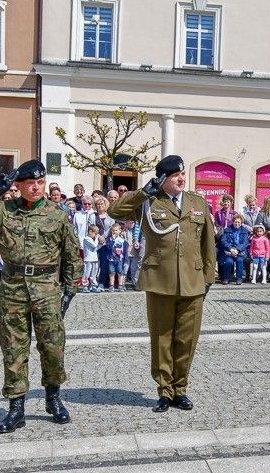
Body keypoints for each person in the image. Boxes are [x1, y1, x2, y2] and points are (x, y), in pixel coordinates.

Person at [0, 160, 82, 433]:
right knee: (13, 348)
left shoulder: (57, 214)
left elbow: (72, 253)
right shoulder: (3, 211)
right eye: (30, 183)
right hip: (13, 290)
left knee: (52, 347)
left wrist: (70, 290)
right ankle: (16, 409)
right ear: (19, 185)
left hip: (47, 290)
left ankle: (53, 398)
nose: (36, 187)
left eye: (40, 182)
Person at [109, 155, 215, 412]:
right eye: (175, 175)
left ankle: (181, 389)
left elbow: (208, 243)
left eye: (182, 174)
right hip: (160, 281)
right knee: (162, 338)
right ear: (162, 179)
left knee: (187, 340)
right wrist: (142, 193)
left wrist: (208, 278)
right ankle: (165, 391)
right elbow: (114, 211)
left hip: (192, 281)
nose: (181, 178)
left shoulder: (197, 202)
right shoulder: (149, 202)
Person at [217, 216, 250, 284]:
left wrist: (238, 250)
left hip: (240, 252)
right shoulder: (227, 230)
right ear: (233, 222)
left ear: (241, 223)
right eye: (235, 222)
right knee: (229, 262)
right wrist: (230, 249)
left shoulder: (244, 231)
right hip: (229, 251)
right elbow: (223, 241)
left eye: (239, 222)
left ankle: (239, 279)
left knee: (239, 260)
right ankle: (226, 278)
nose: (237, 224)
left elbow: (245, 243)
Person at [81, 224, 103, 292]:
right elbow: (94, 245)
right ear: (90, 232)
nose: (96, 235)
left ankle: (94, 285)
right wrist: (97, 238)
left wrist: (101, 245)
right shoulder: (86, 239)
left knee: (94, 274)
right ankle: (85, 286)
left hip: (95, 259)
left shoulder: (93, 240)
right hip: (88, 259)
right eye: (95, 233)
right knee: (86, 273)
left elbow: (95, 249)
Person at [106, 223, 127, 291]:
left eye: (116, 230)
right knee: (111, 272)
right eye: (113, 230)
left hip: (120, 259)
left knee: (120, 272)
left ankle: (120, 285)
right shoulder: (109, 239)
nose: (114, 232)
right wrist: (113, 240)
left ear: (120, 231)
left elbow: (125, 251)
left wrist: (125, 259)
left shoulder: (122, 240)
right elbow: (108, 247)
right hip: (111, 259)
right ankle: (111, 285)